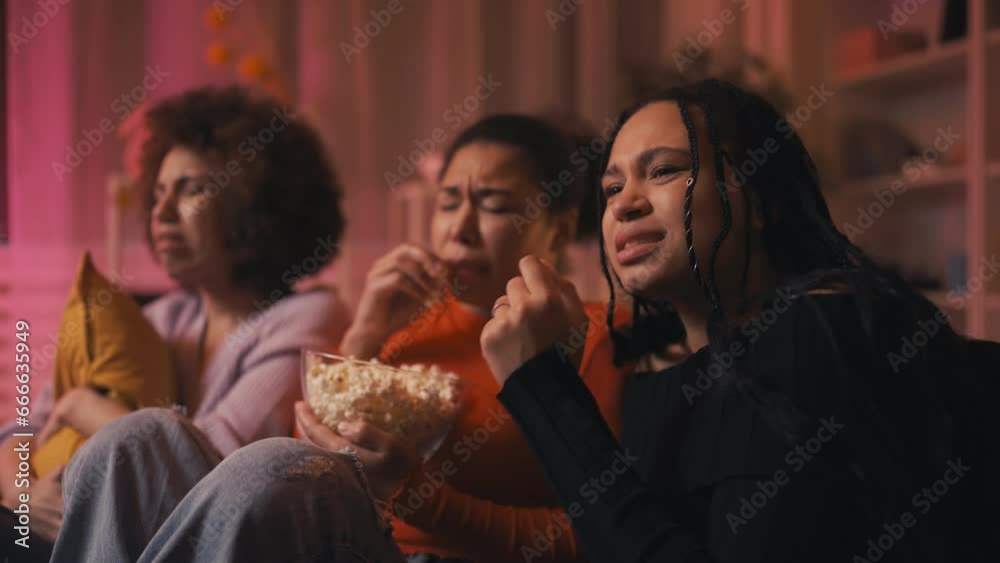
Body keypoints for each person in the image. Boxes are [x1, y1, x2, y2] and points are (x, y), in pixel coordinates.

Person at [49, 114, 632, 563]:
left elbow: (598, 533)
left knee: (273, 466)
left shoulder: (600, 334)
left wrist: (416, 493)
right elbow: (317, 447)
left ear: (556, 227)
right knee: (142, 433)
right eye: (449, 201)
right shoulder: (404, 325)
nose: (459, 229)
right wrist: (366, 332)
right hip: (346, 537)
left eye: (494, 205)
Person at [482, 79, 995, 562]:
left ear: (759, 202)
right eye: (612, 189)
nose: (625, 205)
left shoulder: (814, 332)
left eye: (662, 171)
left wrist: (541, 386)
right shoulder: (655, 371)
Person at [0, 85, 350, 558]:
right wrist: (24, 497)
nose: (160, 214)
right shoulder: (163, 317)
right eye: (158, 193)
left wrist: (83, 404)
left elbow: (212, 465)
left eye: (192, 190)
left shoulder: (308, 316)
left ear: (258, 208)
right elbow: (17, 429)